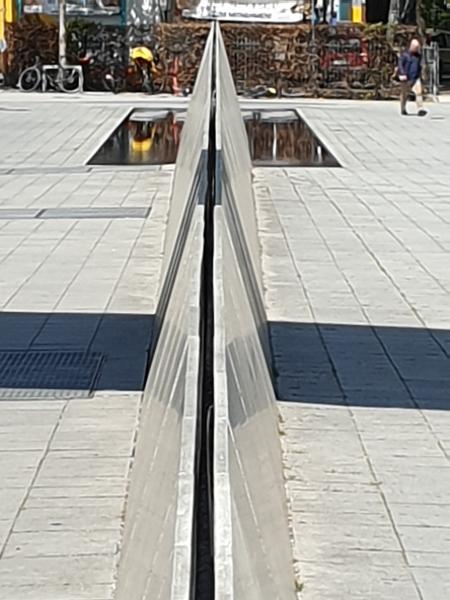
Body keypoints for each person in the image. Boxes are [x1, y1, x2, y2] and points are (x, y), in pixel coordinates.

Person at [398, 39, 427, 117]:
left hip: (415, 78)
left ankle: (420, 109)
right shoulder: (405, 55)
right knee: (404, 94)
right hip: (406, 78)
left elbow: (420, 66)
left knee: (419, 93)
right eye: (416, 47)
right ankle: (403, 108)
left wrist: (421, 76)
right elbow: (400, 65)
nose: (417, 49)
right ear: (411, 46)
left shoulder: (419, 56)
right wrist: (402, 74)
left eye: (418, 48)